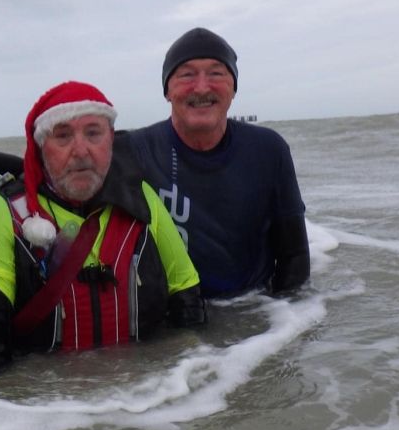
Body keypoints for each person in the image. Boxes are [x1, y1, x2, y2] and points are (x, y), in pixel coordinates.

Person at [0, 81, 206, 374]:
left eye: (93, 133)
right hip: (49, 395)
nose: (81, 150)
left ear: (111, 140)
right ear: (41, 147)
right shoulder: (6, 212)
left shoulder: (142, 199)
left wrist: (189, 385)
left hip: (145, 389)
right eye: (63, 135)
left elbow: (187, 299)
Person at [122, 27, 310, 298]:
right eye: (187, 75)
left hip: (252, 307)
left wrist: (286, 318)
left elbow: (295, 258)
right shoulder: (133, 151)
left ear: (233, 88)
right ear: (167, 90)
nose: (201, 87)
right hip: (172, 313)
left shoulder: (269, 150)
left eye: (216, 73)